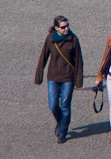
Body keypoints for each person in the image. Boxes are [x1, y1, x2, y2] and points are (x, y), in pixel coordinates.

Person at [34, 15, 84, 144]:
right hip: (53, 78)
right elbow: (43, 57)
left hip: (68, 78)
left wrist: (78, 81)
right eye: (63, 27)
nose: (66, 28)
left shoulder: (73, 39)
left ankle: (62, 133)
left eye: (67, 26)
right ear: (56, 28)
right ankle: (61, 122)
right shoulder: (50, 39)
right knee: (53, 106)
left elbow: (79, 60)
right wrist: (38, 76)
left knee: (65, 107)